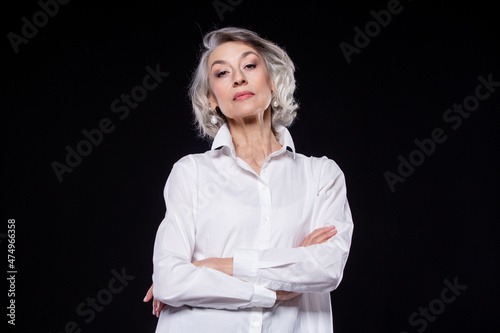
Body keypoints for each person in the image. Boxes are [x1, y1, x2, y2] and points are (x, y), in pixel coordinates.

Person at [143, 26, 354, 332]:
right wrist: (278, 286)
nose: (238, 78)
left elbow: (325, 268)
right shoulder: (191, 173)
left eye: (250, 65)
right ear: (212, 99)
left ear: (272, 80)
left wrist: (214, 266)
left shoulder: (321, 175)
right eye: (222, 73)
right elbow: (170, 280)